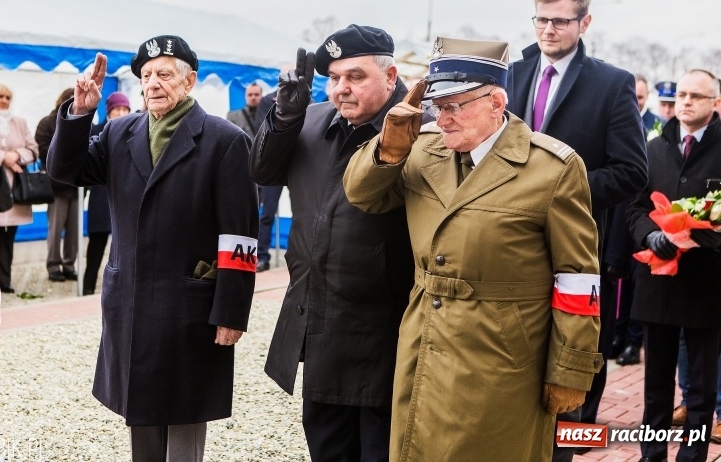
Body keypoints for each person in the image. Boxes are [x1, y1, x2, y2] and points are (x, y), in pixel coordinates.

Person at [343, 37, 601, 462]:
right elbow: (362, 195)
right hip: (424, 340)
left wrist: (570, 367)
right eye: (436, 107)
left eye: (453, 107)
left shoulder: (551, 168)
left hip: (503, 352)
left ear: (496, 102)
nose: (441, 119)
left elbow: (577, 277)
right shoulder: (423, 147)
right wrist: (387, 149)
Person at [47, 36, 259, 462]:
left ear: (190, 80)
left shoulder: (225, 139)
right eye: (146, 76)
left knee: (184, 413)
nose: (153, 84)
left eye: (164, 74)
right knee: (139, 410)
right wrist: (80, 113)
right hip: (131, 299)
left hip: (190, 303)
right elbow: (63, 170)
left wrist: (231, 312)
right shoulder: (118, 131)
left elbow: (241, 238)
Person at [249, 24, 419, 461]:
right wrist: (283, 116)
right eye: (334, 78)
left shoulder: (423, 133)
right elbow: (262, 172)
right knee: (326, 447)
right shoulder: (310, 120)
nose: (341, 89)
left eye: (356, 77)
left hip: (386, 329)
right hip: (319, 321)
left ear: (390, 75)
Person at [506, 0, 648, 459]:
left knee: (573, 361)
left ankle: (571, 445)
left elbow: (631, 172)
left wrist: (558, 194)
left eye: (560, 21)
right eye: (541, 20)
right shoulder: (512, 73)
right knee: (516, 362)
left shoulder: (612, 83)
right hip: (510, 245)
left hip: (575, 245)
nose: (548, 29)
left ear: (584, 23)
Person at [627, 69, 721, 462]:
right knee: (656, 386)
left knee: (699, 390)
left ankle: (692, 456)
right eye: (681, 94)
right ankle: (651, 455)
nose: (685, 102)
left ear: (714, 104)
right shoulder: (653, 148)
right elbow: (634, 209)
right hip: (658, 283)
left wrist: (692, 235)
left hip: (706, 285)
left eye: (696, 96)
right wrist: (651, 236)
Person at [611, 74, 664, 367]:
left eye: (640, 98)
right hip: (621, 215)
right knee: (620, 284)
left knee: (635, 283)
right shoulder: (616, 119)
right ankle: (618, 336)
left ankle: (633, 340)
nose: (636, 102)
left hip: (647, 218)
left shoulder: (655, 128)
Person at [0, 84, 38, 294]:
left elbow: (33, 149)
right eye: (0, 96)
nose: (4, 100)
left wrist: (16, 155)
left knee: (9, 238)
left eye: (8, 97)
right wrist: (4, 158)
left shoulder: (19, 122)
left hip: (14, 189)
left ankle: (4, 280)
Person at [82, 91, 131, 295]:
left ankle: (125, 289)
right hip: (101, 195)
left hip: (127, 195)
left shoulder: (135, 132)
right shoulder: (98, 131)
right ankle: (87, 286)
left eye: (124, 109)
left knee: (126, 246)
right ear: (109, 111)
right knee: (97, 243)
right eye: (117, 109)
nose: (121, 113)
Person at [36, 88, 79, 282]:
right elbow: (43, 150)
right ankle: (53, 265)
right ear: (61, 101)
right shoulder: (47, 122)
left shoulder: (80, 121)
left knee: (74, 231)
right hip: (56, 186)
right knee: (55, 229)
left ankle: (69, 265)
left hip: (77, 185)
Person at [252, 89, 279, 272]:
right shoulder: (268, 100)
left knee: (303, 213)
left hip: (300, 162)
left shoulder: (310, 99)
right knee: (267, 214)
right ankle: (262, 256)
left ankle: (298, 255)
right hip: (275, 163)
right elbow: (262, 129)